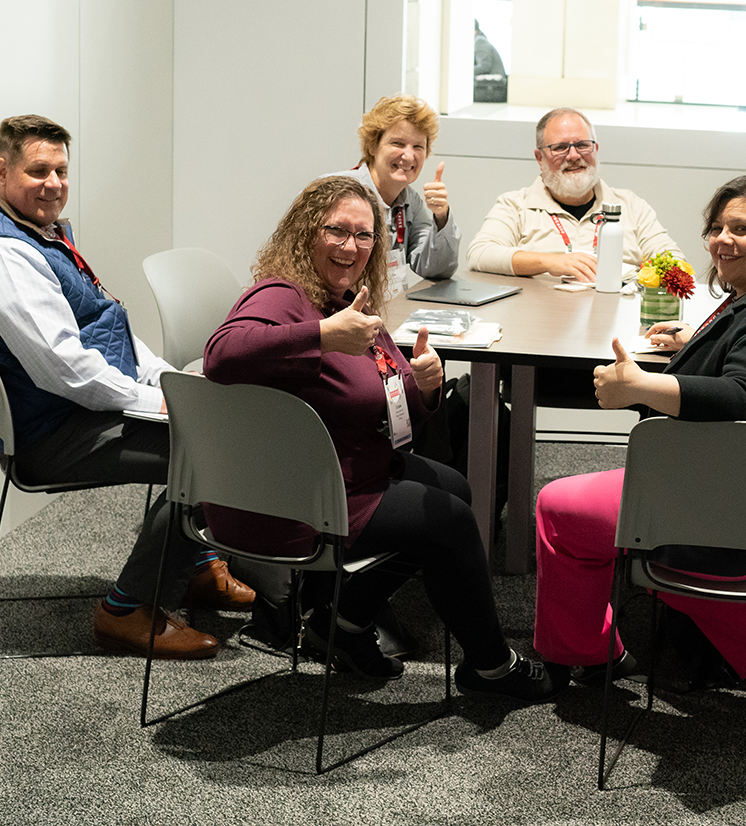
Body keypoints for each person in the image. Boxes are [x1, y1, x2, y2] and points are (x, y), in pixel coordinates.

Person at [203, 175, 557, 701]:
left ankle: (341, 626)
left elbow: (391, 406)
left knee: (454, 489)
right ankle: (492, 667)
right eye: (337, 232)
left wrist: (426, 386)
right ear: (305, 235)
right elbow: (222, 355)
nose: (352, 246)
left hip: (344, 472)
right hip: (294, 497)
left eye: (364, 235)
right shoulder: (283, 296)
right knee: (451, 520)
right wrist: (323, 336)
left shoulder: (348, 300)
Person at [533, 174, 746, 714]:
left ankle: (587, 654)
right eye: (717, 227)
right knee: (649, 548)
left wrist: (639, 387)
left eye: (742, 228)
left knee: (558, 509)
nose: (722, 239)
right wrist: (700, 341)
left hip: (733, 517)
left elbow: (745, 396)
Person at [0, 114, 254, 661]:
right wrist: (159, 404)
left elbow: (108, 329)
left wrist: (171, 383)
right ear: (2, 170)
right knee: (213, 451)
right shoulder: (2, 254)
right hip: (52, 434)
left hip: (81, 413)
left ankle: (196, 567)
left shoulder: (43, 234)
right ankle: (127, 610)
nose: (54, 184)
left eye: (61, 170)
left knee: (218, 420)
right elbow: (65, 370)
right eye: (39, 170)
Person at [466, 107, 684, 281]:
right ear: (539, 158)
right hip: (540, 322)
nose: (573, 155)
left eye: (582, 145)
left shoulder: (630, 205)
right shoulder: (515, 205)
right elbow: (480, 254)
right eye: (560, 147)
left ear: (596, 150)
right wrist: (551, 263)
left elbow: (675, 262)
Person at [331, 95, 458, 298]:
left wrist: (441, 215)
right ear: (373, 146)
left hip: (386, 315)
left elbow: (435, 270)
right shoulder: (336, 192)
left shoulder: (410, 201)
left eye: (418, 147)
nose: (408, 156)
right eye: (398, 143)